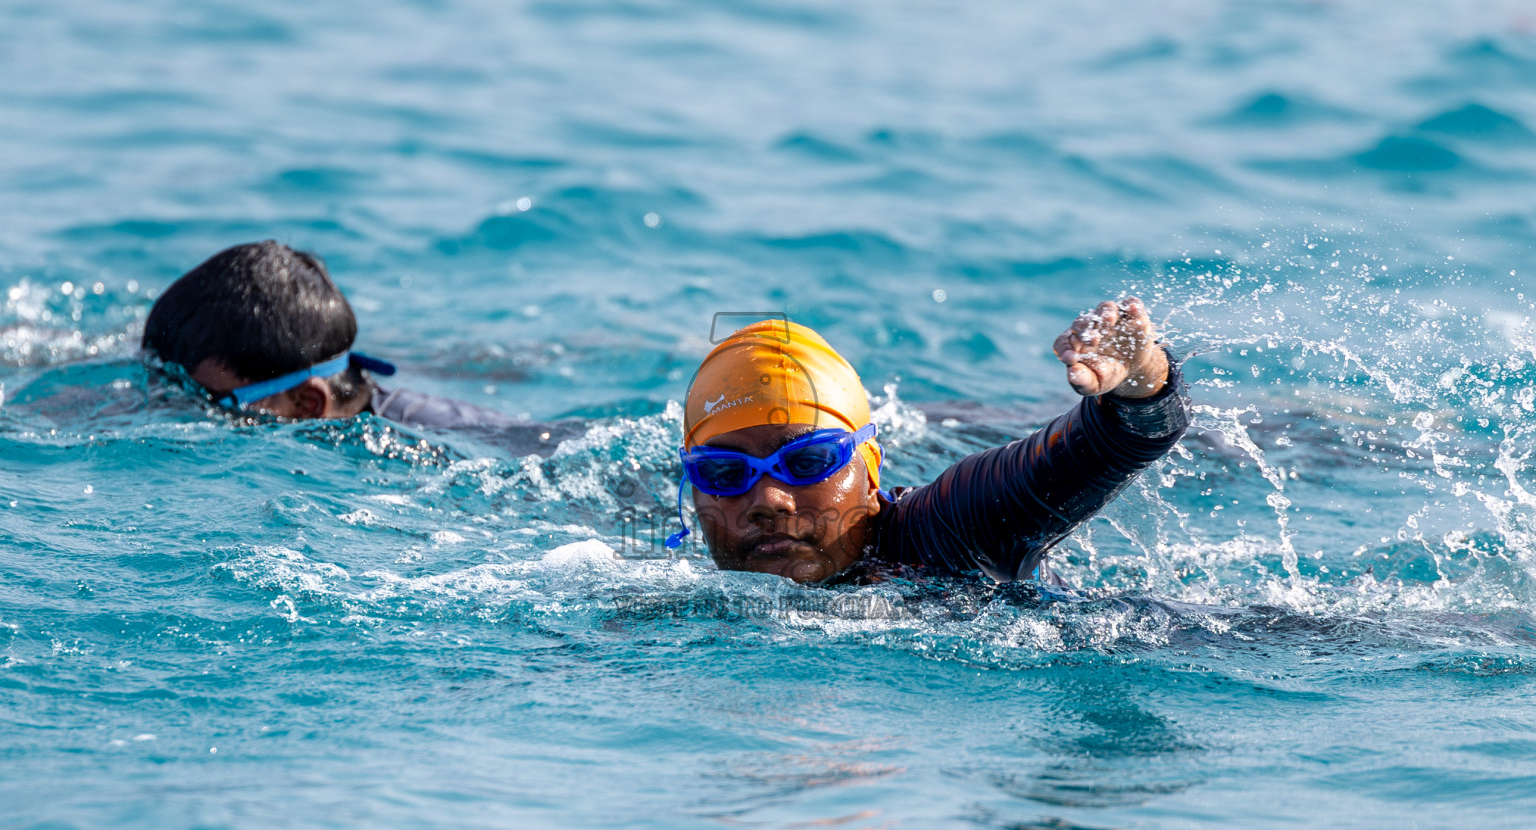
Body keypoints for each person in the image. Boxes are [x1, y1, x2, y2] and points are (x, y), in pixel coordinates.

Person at [666, 301, 1190, 584]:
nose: (766, 501)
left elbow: (1115, 441)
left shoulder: (948, 530)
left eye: (807, 461)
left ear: (870, 472)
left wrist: (1139, 379)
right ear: (694, 494)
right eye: (724, 474)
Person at [141, 241, 583, 451]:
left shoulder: (425, 455)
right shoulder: (330, 395)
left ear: (307, 403)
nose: (173, 410)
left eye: (207, 403)